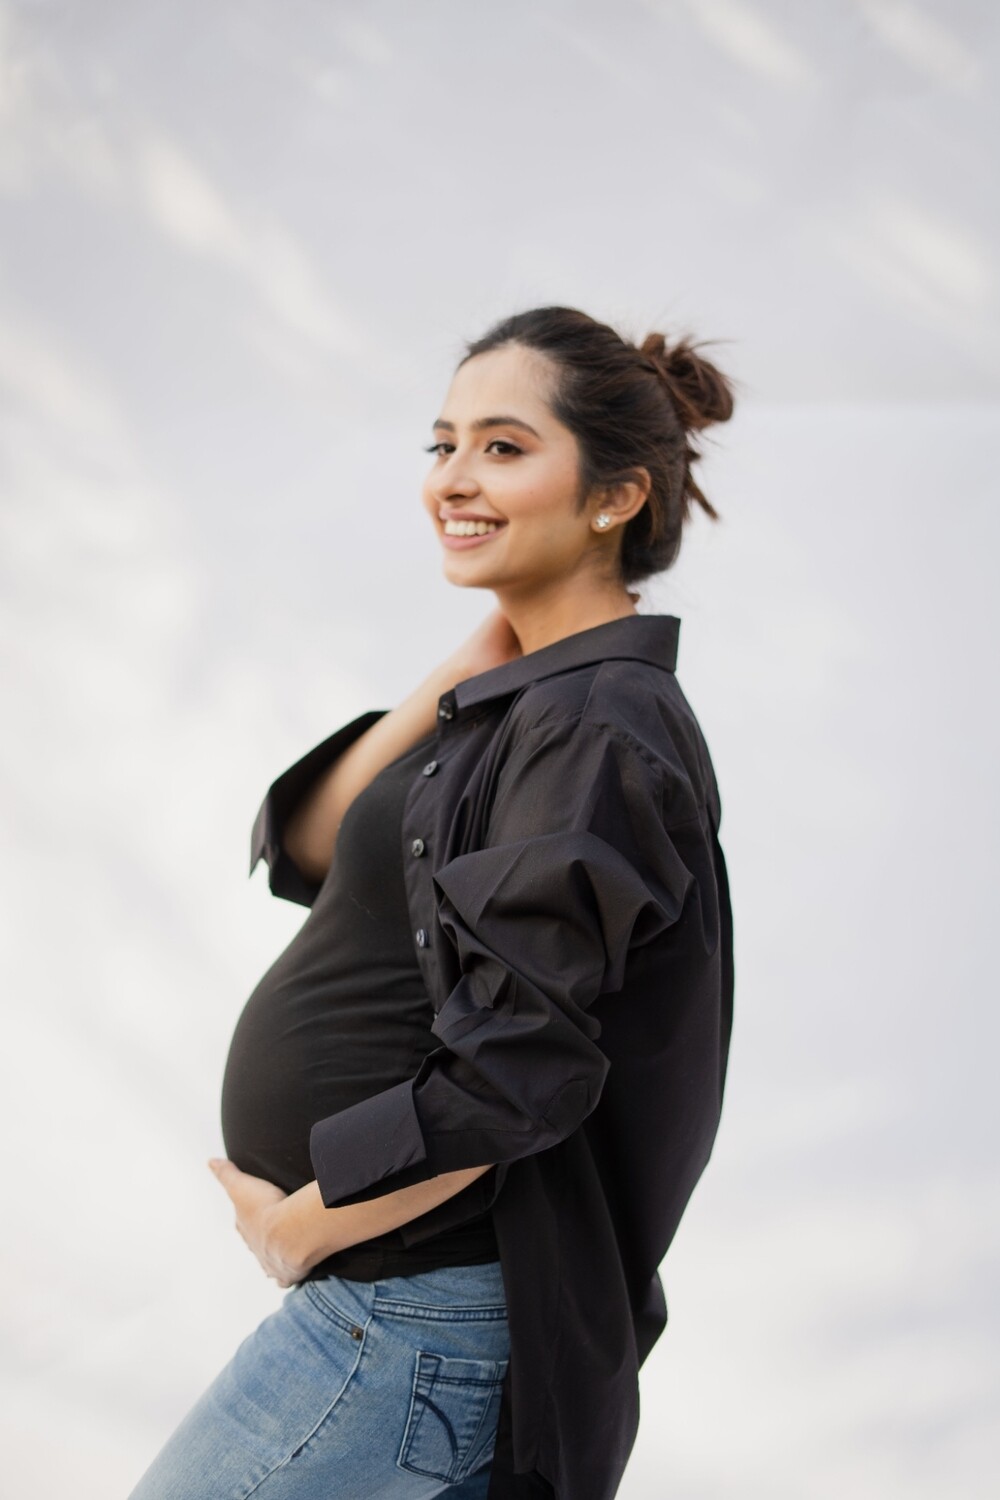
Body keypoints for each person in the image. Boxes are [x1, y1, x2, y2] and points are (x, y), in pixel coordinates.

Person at [127, 305, 737, 1500]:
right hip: (394, 1300)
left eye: (504, 447)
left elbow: (518, 1071)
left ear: (615, 497)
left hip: (406, 1306)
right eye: (442, 443)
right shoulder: (523, 702)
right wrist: (456, 676)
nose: (453, 479)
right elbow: (305, 843)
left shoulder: (596, 728)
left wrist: (303, 1227)